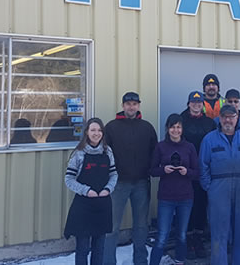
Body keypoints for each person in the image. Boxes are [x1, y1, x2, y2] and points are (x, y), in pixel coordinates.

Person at [199, 105, 240, 264]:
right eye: (225, 117)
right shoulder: (209, 139)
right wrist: (209, 187)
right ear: (219, 119)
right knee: (219, 232)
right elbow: (203, 165)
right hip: (219, 189)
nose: (228, 120)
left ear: (237, 119)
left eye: (231, 117)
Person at [104, 92, 158, 265]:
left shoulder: (147, 127)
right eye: (128, 104)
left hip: (141, 183)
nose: (131, 107)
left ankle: (140, 261)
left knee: (141, 226)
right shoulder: (111, 127)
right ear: (122, 106)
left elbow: (154, 153)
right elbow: (105, 154)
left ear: (138, 106)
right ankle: (108, 261)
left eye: (135, 104)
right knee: (111, 227)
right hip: (118, 184)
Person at [64, 118, 118, 265]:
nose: (96, 133)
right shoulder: (79, 153)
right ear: (87, 132)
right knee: (82, 248)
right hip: (84, 206)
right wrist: (86, 191)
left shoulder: (108, 151)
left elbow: (113, 174)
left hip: (102, 205)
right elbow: (69, 179)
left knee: (99, 248)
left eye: (99, 130)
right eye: (93, 130)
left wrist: (108, 188)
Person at [148, 114, 199, 265]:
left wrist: (187, 172)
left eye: (178, 127)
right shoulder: (160, 146)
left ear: (182, 129)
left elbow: (197, 173)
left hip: (185, 197)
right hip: (166, 197)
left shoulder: (189, 147)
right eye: (172, 127)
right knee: (162, 235)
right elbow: (152, 170)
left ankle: (179, 261)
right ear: (167, 129)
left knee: (182, 235)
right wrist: (164, 169)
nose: (175, 130)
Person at [180, 91, 215, 259]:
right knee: (186, 204)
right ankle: (186, 238)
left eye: (199, 102)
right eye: (193, 102)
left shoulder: (209, 122)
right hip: (185, 170)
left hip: (204, 169)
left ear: (203, 104)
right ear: (188, 104)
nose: (196, 105)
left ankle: (198, 237)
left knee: (201, 203)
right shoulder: (180, 120)